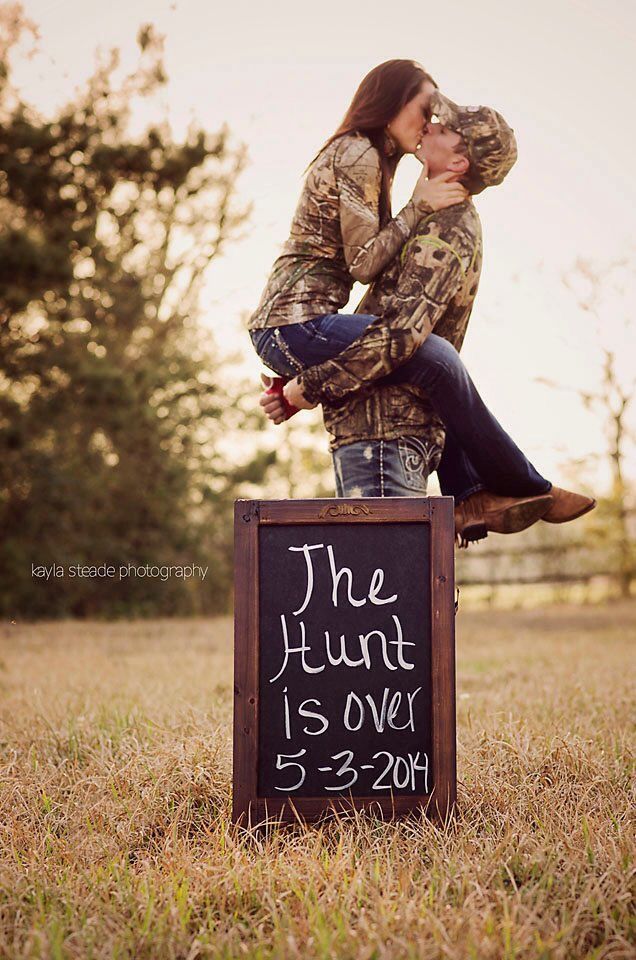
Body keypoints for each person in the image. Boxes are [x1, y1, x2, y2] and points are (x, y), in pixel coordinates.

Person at [250, 68, 595, 542]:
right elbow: (369, 276)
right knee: (435, 358)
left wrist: (304, 389)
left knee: (432, 358)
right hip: (300, 332)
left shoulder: (447, 223)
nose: (430, 124)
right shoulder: (366, 160)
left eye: (444, 125)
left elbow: (395, 333)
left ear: (458, 162)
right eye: (426, 112)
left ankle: (498, 488)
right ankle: (503, 486)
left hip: (382, 422)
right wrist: (305, 386)